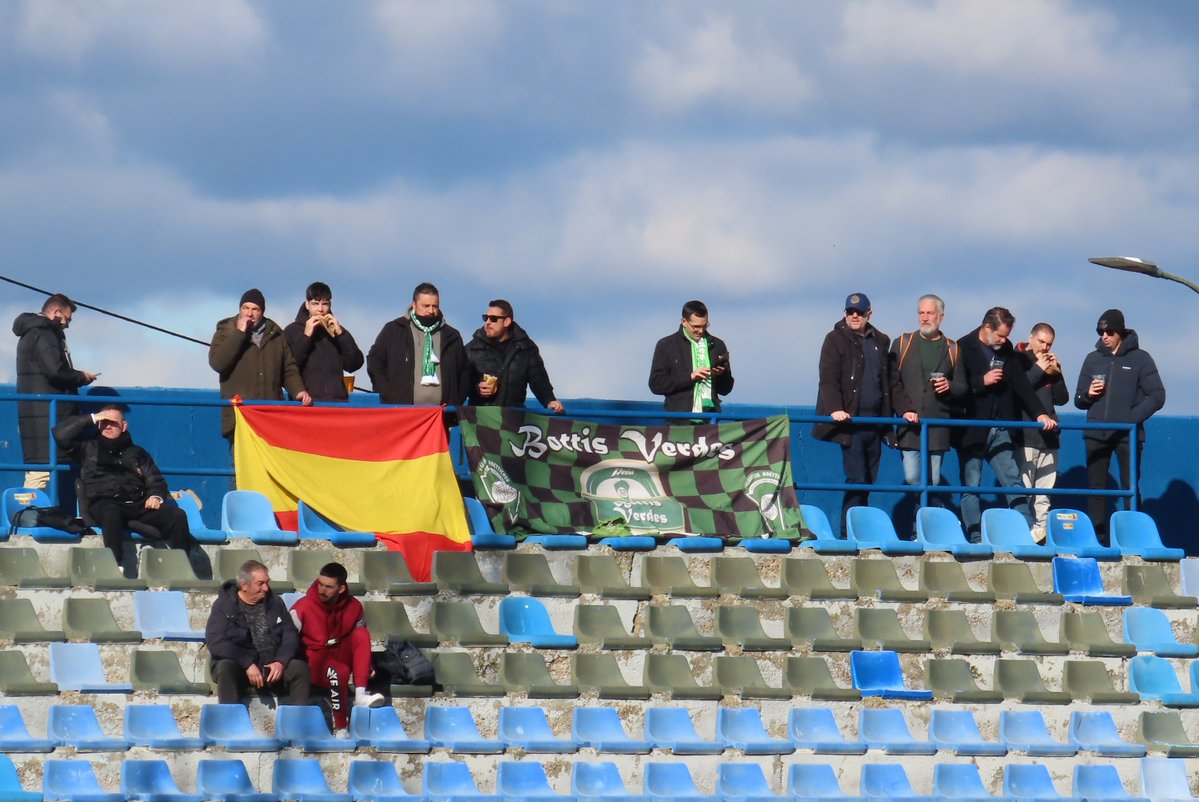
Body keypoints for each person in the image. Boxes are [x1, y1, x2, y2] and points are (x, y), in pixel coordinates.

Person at [814, 293, 917, 532]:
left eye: (859, 312)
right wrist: (835, 409)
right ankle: (847, 532)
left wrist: (906, 409)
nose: (854, 316)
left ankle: (859, 530)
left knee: (868, 480)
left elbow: (892, 382)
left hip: (876, 424)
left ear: (869, 313)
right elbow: (828, 379)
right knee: (857, 479)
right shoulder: (834, 339)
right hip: (851, 424)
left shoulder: (881, 340)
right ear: (845, 313)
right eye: (850, 311)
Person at [955, 307, 1057, 541]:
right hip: (971, 429)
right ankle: (975, 537)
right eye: (1000, 336)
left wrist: (1040, 414)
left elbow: (1021, 385)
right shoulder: (963, 346)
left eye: (1006, 336)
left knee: (1012, 480)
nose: (1004, 340)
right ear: (987, 328)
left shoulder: (1007, 349)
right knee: (971, 485)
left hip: (1000, 427)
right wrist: (982, 381)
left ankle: (1031, 528)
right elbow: (956, 388)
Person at [53, 405, 195, 573]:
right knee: (110, 511)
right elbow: (60, 434)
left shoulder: (137, 453)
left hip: (136, 503)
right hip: (103, 502)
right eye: (103, 422)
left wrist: (156, 496)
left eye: (112, 423)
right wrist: (93, 417)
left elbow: (155, 480)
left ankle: (182, 565)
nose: (107, 426)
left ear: (124, 426)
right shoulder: (87, 447)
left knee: (177, 516)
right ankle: (115, 564)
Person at [1074, 308, 1165, 538]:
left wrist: (1129, 420)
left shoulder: (1140, 358)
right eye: (1100, 331)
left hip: (1128, 435)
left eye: (1110, 331)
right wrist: (1088, 394)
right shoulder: (1092, 359)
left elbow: (1157, 396)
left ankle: (1132, 539)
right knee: (1096, 491)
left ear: (1121, 332)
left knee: (1129, 489)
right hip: (1096, 433)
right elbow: (1078, 400)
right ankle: (1098, 540)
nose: (1104, 335)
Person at [289, 562, 385, 737]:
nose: (322, 590)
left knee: (361, 635)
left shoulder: (355, 607)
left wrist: (367, 665)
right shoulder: (302, 607)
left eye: (328, 587)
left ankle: (361, 695)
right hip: (314, 661)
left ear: (341, 588)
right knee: (338, 670)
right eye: (320, 584)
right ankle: (341, 726)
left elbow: (359, 643)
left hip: (340, 654)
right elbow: (287, 640)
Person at [12, 293, 97, 490]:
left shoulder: (32, 333)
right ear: (56, 312)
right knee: (40, 473)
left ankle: (29, 515)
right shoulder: (44, 333)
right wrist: (81, 377)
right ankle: (26, 516)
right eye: (67, 318)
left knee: (39, 470)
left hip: (38, 412)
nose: (67, 324)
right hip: (46, 414)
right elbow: (55, 371)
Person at [208, 289, 312, 443]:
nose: (249, 314)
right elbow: (218, 363)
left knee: (272, 467)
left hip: (271, 417)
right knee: (242, 466)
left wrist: (299, 390)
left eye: (255, 309)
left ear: (262, 312)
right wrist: (239, 334)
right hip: (240, 417)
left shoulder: (276, 334)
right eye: (245, 308)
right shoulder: (225, 331)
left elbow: (288, 369)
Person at [206, 559, 310, 706]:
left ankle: (298, 722)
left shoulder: (276, 603)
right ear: (244, 586)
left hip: (271, 666)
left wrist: (280, 662)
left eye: (267, 582)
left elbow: (290, 635)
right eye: (260, 583)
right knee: (225, 668)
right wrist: (247, 663)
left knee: (299, 668)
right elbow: (215, 641)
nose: (266, 588)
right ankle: (228, 722)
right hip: (241, 668)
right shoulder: (224, 606)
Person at [889, 294, 964, 498]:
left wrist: (949, 385)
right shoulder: (902, 343)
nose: (924, 317)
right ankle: (920, 522)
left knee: (934, 482)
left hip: (938, 426)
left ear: (940, 316)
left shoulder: (953, 348)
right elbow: (892, 382)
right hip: (909, 426)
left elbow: (963, 388)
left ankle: (923, 526)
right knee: (913, 477)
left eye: (929, 313)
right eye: (921, 313)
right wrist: (904, 410)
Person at [367, 282, 470, 406]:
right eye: (426, 306)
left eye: (435, 306)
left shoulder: (452, 336)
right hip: (402, 412)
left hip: (441, 415)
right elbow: (374, 361)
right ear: (414, 305)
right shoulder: (394, 330)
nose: (431, 311)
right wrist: (386, 393)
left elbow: (465, 372)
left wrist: (455, 401)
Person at [1015, 322, 1068, 543]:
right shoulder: (1018, 359)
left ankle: (1041, 536)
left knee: (1043, 494)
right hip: (1026, 435)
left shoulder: (1051, 364)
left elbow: (1062, 398)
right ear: (1031, 338)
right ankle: (1022, 534)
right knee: (1024, 489)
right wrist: (1038, 368)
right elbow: (1020, 388)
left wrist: (1056, 374)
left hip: (1049, 438)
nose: (1044, 348)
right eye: (1041, 342)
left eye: (1049, 344)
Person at [465, 299, 565, 413]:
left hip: (513, 422)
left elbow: (538, 379)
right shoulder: (471, 349)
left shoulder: (526, 348)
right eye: (485, 317)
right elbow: (461, 383)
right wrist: (477, 388)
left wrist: (549, 401)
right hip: (481, 422)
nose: (487, 322)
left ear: (507, 321)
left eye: (493, 319)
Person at [283, 282, 364, 402]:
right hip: (306, 404)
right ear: (307, 305)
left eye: (324, 304)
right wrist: (306, 337)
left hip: (337, 404)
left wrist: (341, 335)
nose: (320, 309)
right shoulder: (293, 330)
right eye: (315, 304)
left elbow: (355, 364)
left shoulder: (337, 331)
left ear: (330, 305)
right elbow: (289, 366)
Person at [648, 300, 734, 414]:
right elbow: (656, 384)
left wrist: (721, 375)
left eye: (705, 325)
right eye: (696, 326)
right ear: (684, 322)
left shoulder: (718, 345)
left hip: (710, 419)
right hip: (678, 420)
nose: (701, 330)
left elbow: (726, 389)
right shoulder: (666, 345)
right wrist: (690, 377)